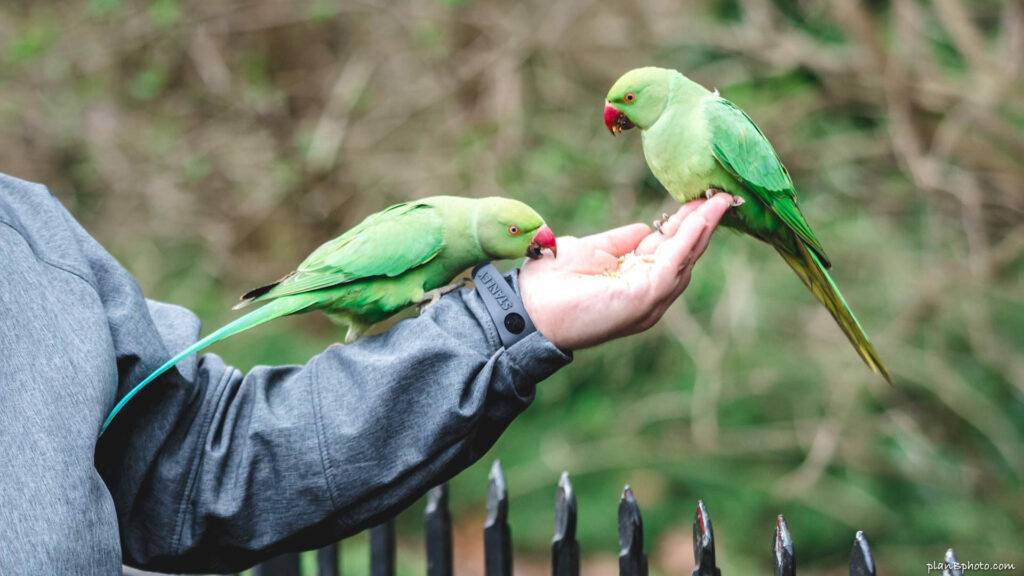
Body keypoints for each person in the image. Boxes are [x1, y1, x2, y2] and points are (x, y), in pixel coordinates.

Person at [0, 172, 733, 574]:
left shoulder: (29, 233)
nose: (534, 241)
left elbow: (203, 459)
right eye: (523, 237)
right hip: (335, 281)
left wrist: (515, 318)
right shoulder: (425, 229)